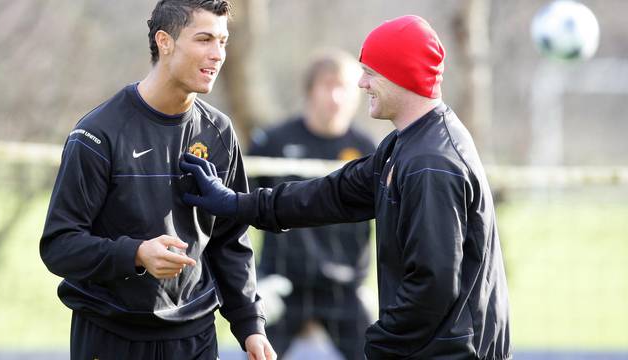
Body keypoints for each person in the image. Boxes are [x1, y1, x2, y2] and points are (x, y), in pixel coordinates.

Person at [179, 14, 511, 359]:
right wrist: (238, 204)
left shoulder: (431, 162)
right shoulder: (406, 145)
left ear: (401, 74)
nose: (362, 83)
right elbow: (331, 195)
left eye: (371, 72)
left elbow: (433, 283)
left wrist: (381, 345)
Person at [39, 1, 275, 359]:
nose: (217, 55)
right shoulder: (97, 134)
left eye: (223, 42)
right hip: (110, 334)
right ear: (164, 41)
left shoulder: (220, 133)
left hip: (194, 337)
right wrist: (135, 254)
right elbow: (59, 245)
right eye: (204, 39)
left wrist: (249, 325)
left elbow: (230, 240)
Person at [248, 50, 375, 360]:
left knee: (381, 351)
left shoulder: (367, 149)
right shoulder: (272, 143)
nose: (335, 96)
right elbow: (239, 210)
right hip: (283, 283)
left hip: (344, 287)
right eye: (327, 85)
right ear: (310, 91)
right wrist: (253, 282)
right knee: (255, 350)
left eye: (343, 86)